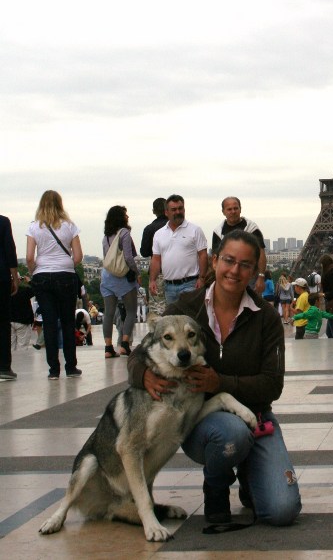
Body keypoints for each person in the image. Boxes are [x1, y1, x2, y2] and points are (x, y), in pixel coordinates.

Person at [127, 230, 301, 527]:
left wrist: (219, 382)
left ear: (255, 271)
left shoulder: (265, 317)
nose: (235, 270)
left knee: (281, 510)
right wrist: (143, 375)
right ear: (215, 261)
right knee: (229, 433)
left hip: (253, 414)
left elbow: (272, 385)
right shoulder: (186, 307)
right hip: (201, 420)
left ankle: (248, 473)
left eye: (245, 265)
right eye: (229, 261)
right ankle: (216, 488)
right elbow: (137, 355)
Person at [26, 190, 83, 379]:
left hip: (42, 275)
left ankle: (53, 370)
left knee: (49, 323)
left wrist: (34, 270)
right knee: (67, 322)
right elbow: (78, 256)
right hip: (65, 275)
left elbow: (29, 257)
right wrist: (65, 264)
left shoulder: (34, 227)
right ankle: (71, 367)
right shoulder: (70, 226)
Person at [149, 194, 208, 306]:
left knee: (190, 319)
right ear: (166, 212)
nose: (177, 212)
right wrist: (152, 280)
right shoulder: (159, 234)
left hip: (190, 284)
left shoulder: (195, 230)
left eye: (180, 209)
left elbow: (203, 255)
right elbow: (156, 259)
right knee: (173, 320)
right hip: (169, 287)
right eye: (174, 209)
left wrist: (202, 278)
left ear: (184, 209)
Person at [101, 205, 139, 358]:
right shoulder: (124, 234)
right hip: (122, 278)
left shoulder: (106, 237)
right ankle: (124, 345)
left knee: (108, 313)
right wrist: (136, 272)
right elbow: (128, 257)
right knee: (131, 311)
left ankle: (108, 347)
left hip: (107, 276)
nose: (127, 217)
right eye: (125, 214)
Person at [212, 197, 267, 295]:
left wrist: (261, 277)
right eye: (229, 209)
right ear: (223, 212)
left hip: (249, 277)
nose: (233, 211)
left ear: (240, 209)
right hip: (227, 277)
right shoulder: (218, 232)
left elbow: (261, 253)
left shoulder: (252, 228)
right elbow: (215, 257)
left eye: (235, 208)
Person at [0, 214, 19, 380]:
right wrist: (15, 276)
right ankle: (4, 367)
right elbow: (9, 250)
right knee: (3, 323)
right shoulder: (3, 222)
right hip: (1, 278)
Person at [10, 276, 34, 352]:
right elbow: (37, 289)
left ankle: (11, 363)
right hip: (23, 321)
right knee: (22, 348)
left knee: (9, 347)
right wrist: (29, 281)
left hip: (8, 322)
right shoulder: (25, 291)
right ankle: (20, 363)